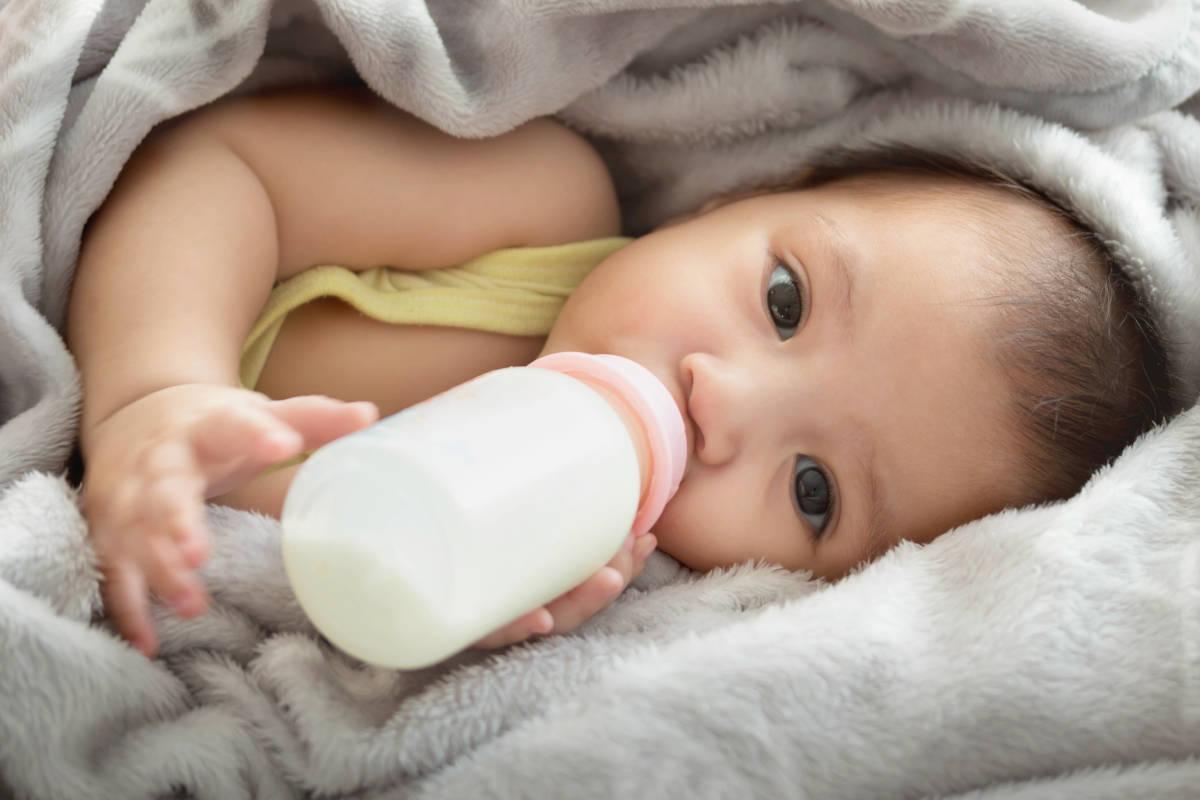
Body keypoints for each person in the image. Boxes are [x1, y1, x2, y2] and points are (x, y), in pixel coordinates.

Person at [67, 86, 1169, 658]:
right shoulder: (541, 208)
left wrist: (430, 596)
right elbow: (224, 165)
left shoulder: (596, 572)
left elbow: (310, 535)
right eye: (784, 300)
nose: (725, 402)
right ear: (729, 204)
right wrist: (153, 395)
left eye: (813, 491)